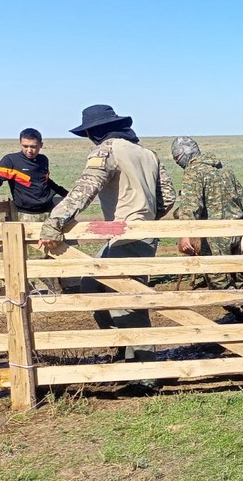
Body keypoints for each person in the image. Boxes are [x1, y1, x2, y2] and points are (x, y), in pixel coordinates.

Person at [38, 105, 176, 362]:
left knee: (126, 300)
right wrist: (147, 218)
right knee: (92, 284)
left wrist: (55, 222)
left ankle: (144, 367)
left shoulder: (107, 150)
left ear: (94, 132)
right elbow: (168, 196)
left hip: (126, 235)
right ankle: (124, 346)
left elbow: (86, 188)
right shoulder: (148, 154)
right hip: (140, 234)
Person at [170, 136, 243, 324]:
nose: (178, 163)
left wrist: (184, 235)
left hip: (215, 236)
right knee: (237, 274)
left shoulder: (193, 171)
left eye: (177, 159)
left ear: (184, 155)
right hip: (236, 231)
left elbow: (190, 206)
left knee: (217, 280)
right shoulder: (224, 168)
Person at [0, 128, 69, 222]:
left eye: (33, 146)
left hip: (50, 212)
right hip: (26, 215)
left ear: (41, 145)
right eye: (25, 146)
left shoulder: (43, 159)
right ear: (20, 144)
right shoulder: (11, 160)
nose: (29, 150)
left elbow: (46, 181)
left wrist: (67, 194)